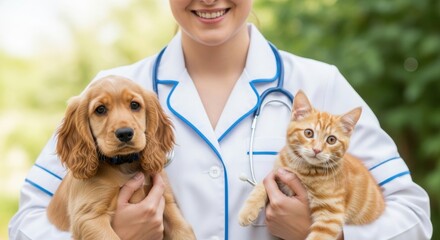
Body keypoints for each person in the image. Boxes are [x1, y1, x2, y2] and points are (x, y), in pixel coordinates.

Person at [9, 0, 433, 239]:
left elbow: (413, 215)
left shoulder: (319, 85)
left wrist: (328, 234)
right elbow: (27, 225)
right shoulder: (110, 93)